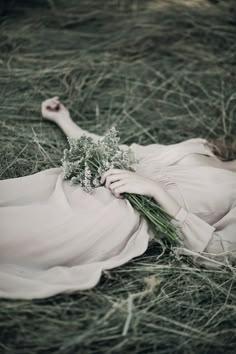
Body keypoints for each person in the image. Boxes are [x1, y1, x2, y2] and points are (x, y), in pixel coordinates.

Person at [0, 96, 235, 299]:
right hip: (87, 184)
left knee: (17, 238)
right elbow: (119, 151)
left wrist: (156, 191)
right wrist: (64, 120)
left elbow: (217, 252)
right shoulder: (202, 147)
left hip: (118, 218)